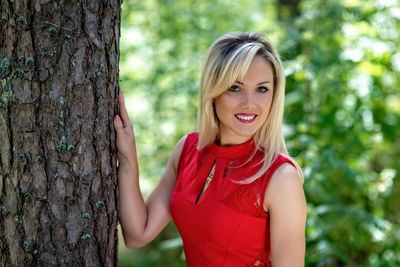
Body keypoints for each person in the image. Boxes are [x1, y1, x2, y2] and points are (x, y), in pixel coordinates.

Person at [114, 32, 307, 267]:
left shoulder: (281, 178)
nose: (250, 103)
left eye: (262, 89)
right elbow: (137, 234)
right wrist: (127, 156)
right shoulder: (187, 150)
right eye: (235, 88)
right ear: (213, 91)